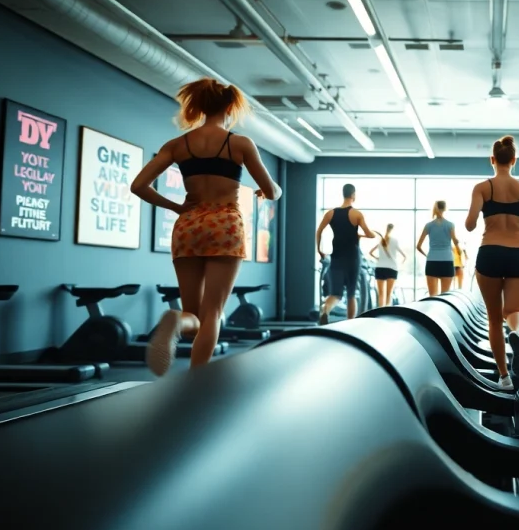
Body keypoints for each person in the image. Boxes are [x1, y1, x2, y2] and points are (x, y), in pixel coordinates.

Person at [130, 77, 282, 376]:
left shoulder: (177, 145)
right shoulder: (238, 143)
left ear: (199, 106)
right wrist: (268, 189)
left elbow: (139, 186)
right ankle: (196, 383)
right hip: (225, 224)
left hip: (188, 226)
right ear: (228, 107)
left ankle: (177, 318)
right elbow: (272, 190)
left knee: (194, 318)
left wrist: (175, 207)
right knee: (213, 313)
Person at [466, 135, 519, 390]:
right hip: (518, 252)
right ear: (514, 160)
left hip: (490, 251)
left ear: (492, 159)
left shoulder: (483, 187)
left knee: (493, 319)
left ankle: (504, 377)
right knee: (513, 311)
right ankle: (516, 333)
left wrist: (478, 215)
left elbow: (469, 225)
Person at [316, 183, 376, 323]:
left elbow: (319, 231)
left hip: (336, 257)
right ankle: (350, 324)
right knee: (351, 294)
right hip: (352, 259)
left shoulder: (330, 213)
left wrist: (319, 250)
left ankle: (325, 310)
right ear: (353, 195)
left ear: (343, 194)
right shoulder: (356, 214)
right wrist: (362, 235)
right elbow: (370, 234)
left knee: (335, 294)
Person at [417, 201, 459, 296]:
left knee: (432, 297)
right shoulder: (450, 225)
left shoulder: (428, 225)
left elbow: (418, 246)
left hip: (432, 261)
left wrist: (427, 255)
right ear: (445, 209)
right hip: (447, 261)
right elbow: (455, 241)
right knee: (444, 297)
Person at [369, 223, 406, 307]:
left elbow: (370, 252)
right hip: (392, 268)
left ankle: (380, 313)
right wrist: (400, 263)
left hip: (380, 267)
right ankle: (387, 313)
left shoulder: (381, 241)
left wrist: (378, 258)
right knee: (389, 294)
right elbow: (404, 256)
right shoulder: (395, 241)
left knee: (381, 294)